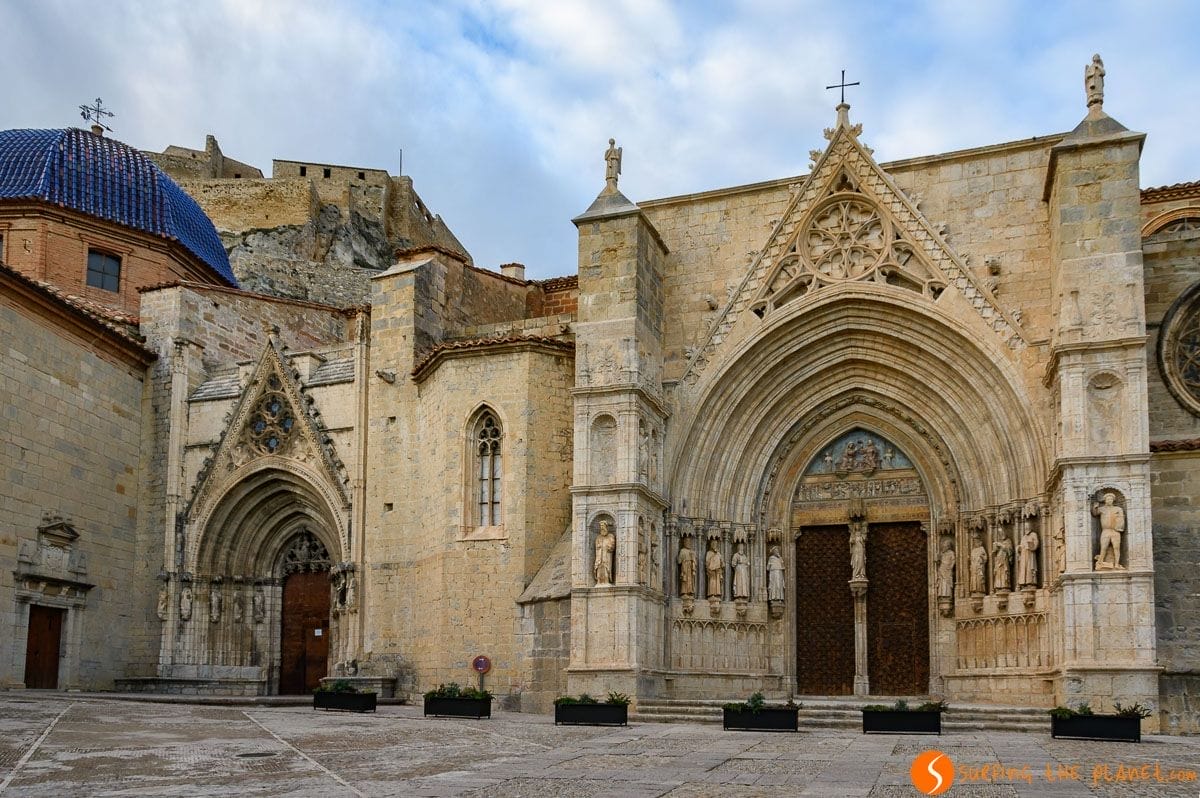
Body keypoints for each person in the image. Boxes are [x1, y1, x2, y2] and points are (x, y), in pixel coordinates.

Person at [1091, 492, 1124, 569]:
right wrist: (1095, 506)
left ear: (1113, 500)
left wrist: (1119, 527)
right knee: (1103, 547)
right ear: (1105, 500)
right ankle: (1100, 563)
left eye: (1111, 499)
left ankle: (1117, 564)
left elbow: (1121, 519)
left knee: (1116, 547)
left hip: (1115, 531)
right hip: (1106, 531)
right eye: (1108, 499)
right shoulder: (1102, 509)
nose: (1109, 500)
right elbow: (1094, 513)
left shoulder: (1118, 509)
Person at [594, 519, 616, 585]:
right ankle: (599, 581)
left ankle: (606, 581)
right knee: (599, 567)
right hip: (599, 555)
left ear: (606, 527)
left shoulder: (610, 536)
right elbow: (596, 546)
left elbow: (612, 546)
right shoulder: (598, 537)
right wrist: (599, 546)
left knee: (606, 567)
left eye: (603, 527)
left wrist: (607, 546)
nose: (602, 528)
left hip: (607, 555)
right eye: (601, 527)